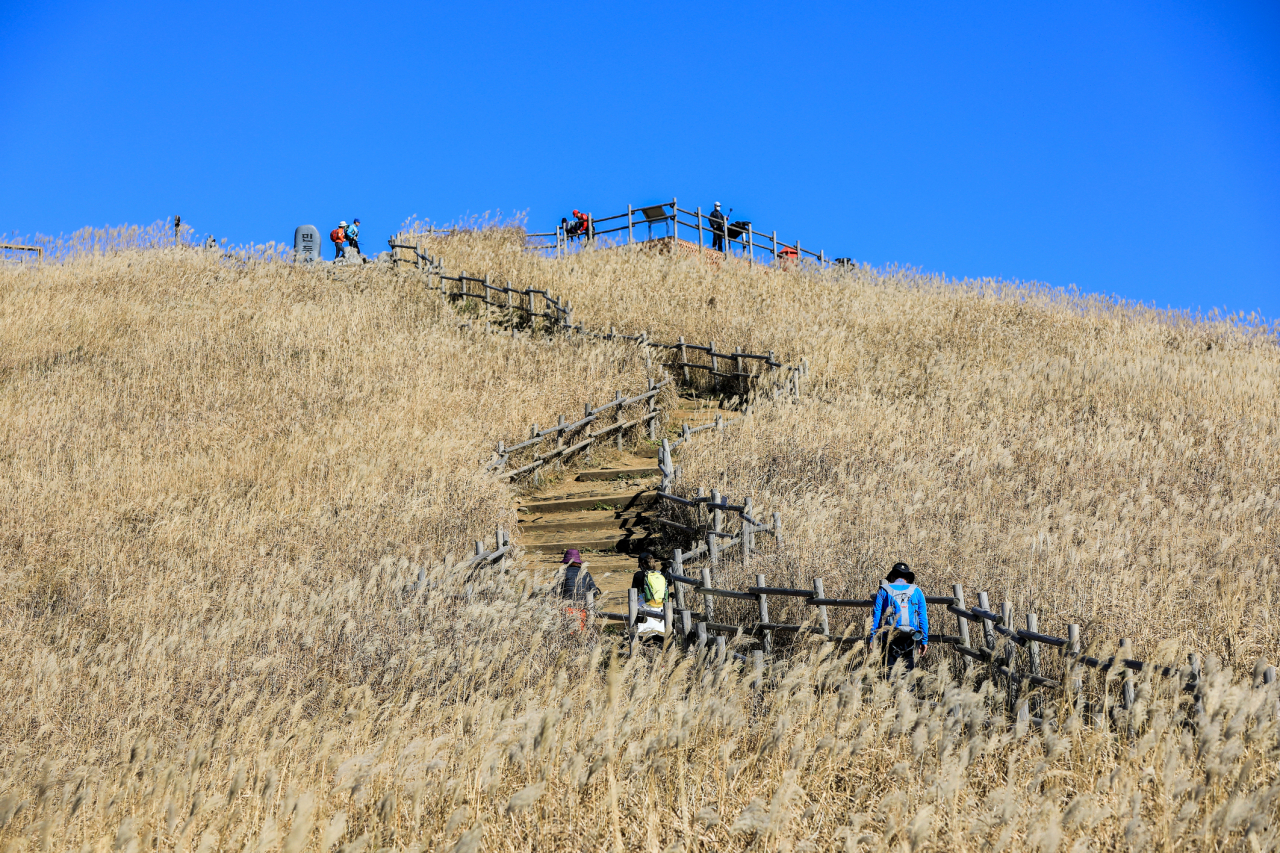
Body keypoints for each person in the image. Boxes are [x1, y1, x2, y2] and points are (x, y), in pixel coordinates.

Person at [869, 562, 929, 674]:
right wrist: (924, 640)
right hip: (912, 636)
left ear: (892, 577)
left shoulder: (883, 590)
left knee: (889, 671)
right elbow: (922, 617)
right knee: (909, 672)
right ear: (908, 578)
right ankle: (909, 691)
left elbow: (876, 616)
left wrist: (873, 637)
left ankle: (890, 690)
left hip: (890, 635)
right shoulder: (916, 590)